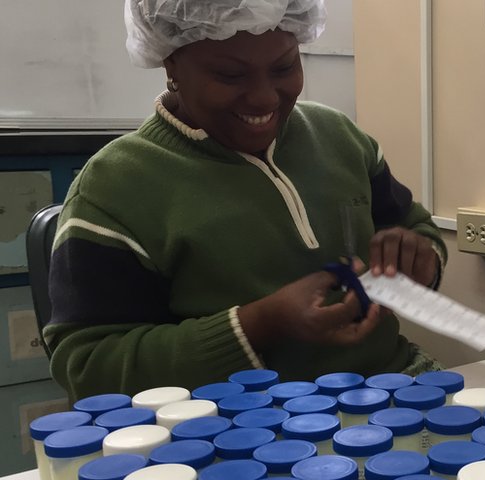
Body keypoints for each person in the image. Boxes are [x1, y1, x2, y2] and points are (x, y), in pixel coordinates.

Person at [46, 0, 447, 401]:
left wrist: (420, 257)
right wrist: (255, 325)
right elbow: (87, 366)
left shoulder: (340, 139)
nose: (264, 99)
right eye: (230, 74)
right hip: (237, 432)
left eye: (284, 67)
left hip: (390, 388)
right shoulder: (116, 186)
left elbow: (414, 228)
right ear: (171, 64)